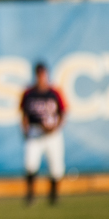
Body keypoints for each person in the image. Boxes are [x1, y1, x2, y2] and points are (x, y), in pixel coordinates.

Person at [20, 62, 66, 205]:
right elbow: (24, 114)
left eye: (43, 74)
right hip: (35, 131)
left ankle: (53, 197)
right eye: (39, 74)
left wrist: (56, 127)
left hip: (52, 134)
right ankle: (31, 195)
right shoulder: (29, 93)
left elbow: (63, 112)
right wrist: (25, 129)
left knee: (56, 167)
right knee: (30, 164)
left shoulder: (54, 92)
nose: (41, 77)